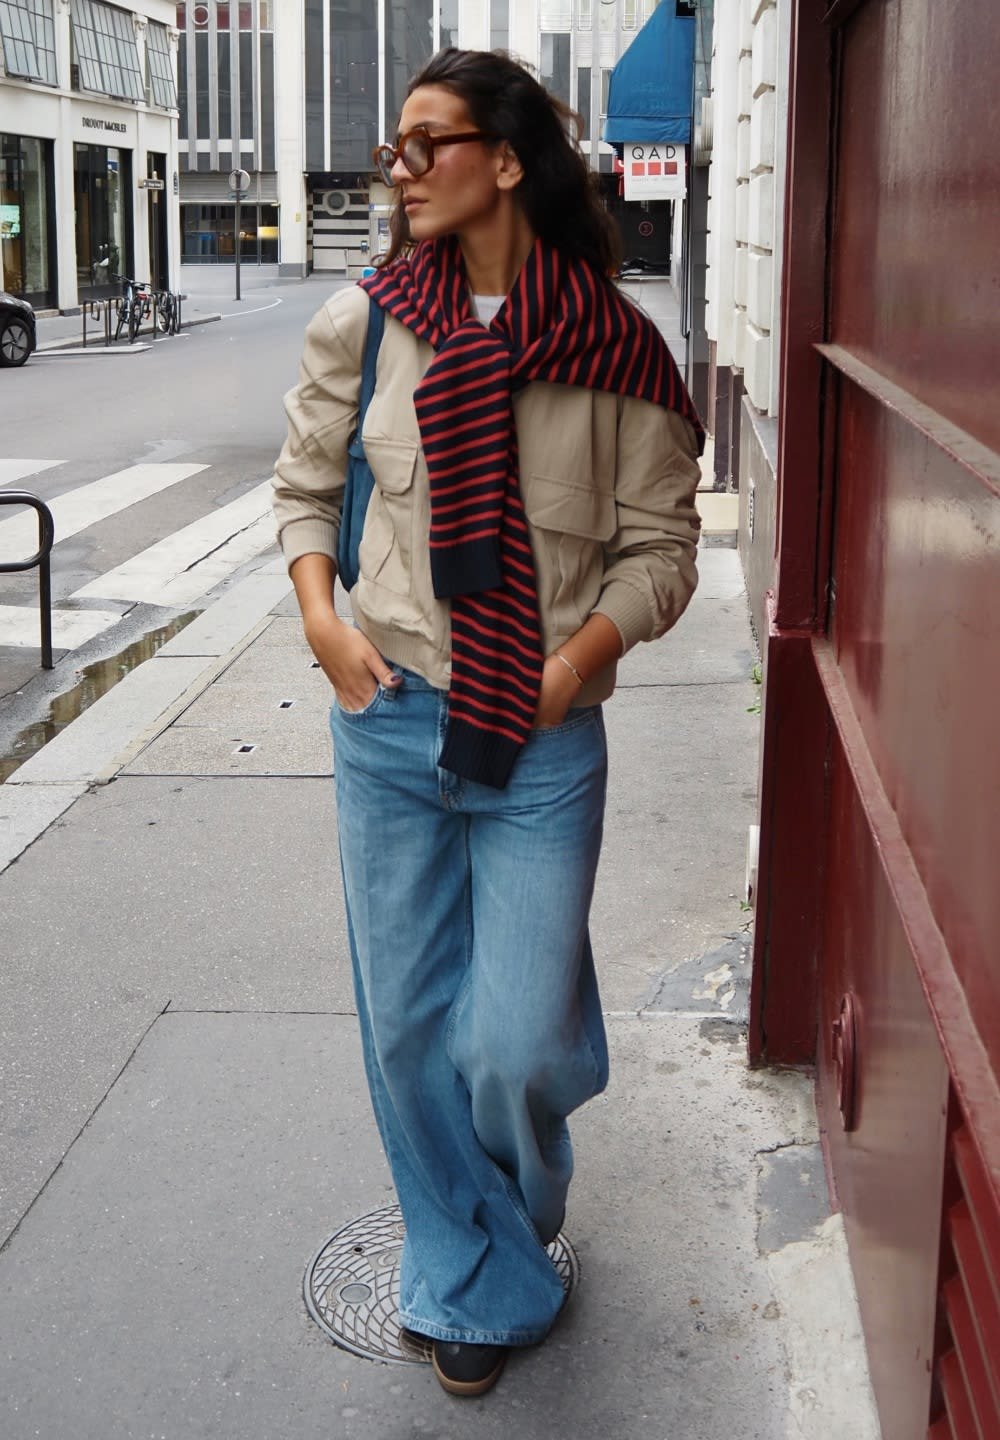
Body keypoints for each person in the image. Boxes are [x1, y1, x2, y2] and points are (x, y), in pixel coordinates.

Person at [272, 47, 703, 1399]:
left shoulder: (621, 353)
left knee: (513, 1042)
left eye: (422, 145)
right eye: (393, 149)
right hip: (390, 719)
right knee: (406, 1028)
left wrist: (572, 670)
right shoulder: (364, 324)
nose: (396, 171)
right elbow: (299, 494)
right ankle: (474, 1268)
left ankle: (514, 1196)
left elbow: (660, 554)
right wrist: (324, 626)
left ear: (503, 160)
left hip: (543, 740)